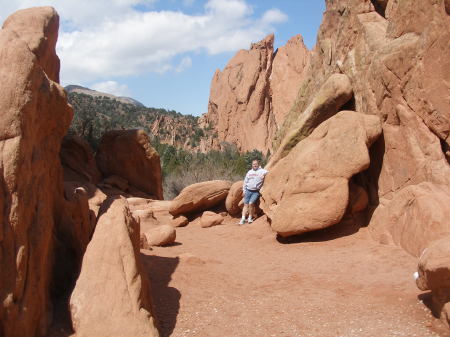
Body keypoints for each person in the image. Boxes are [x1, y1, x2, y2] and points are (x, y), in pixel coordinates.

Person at [239, 159, 268, 225]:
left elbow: (269, 173)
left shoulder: (262, 171)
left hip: (256, 192)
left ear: (258, 165)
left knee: (251, 203)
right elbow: (245, 182)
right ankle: (243, 219)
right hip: (248, 190)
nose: (255, 165)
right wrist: (244, 190)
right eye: (253, 164)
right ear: (252, 165)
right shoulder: (249, 172)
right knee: (245, 205)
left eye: (256, 164)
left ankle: (250, 217)